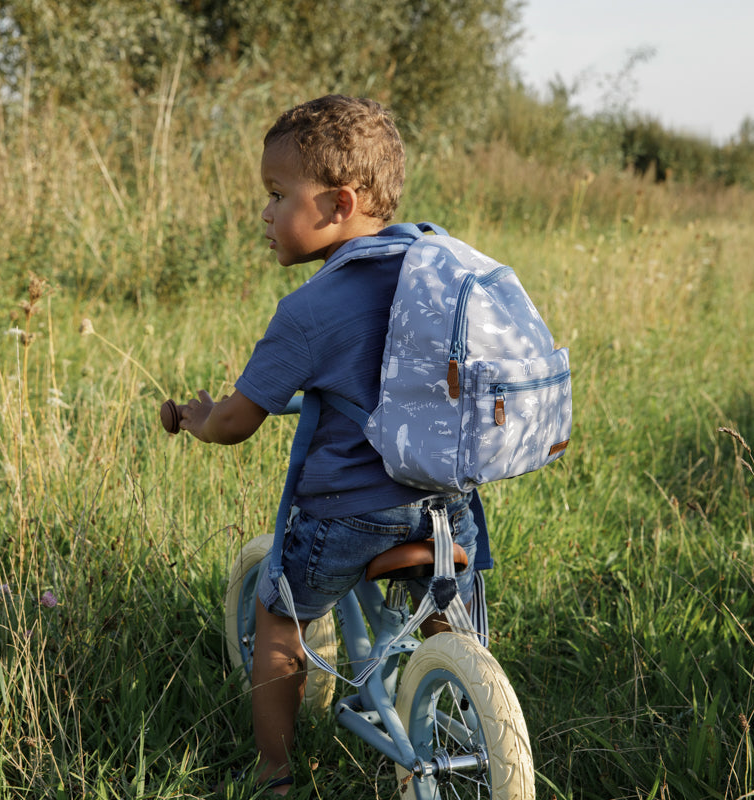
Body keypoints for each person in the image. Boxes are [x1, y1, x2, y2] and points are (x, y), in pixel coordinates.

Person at [177, 95, 480, 795]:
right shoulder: (438, 274)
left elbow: (236, 421)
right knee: (444, 615)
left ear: (340, 204)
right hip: (447, 504)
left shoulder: (309, 310)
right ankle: (461, 698)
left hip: (350, 516)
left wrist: (200, 419)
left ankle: (274, 772)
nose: (265, 213)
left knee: (279, 618)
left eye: (277, 194)